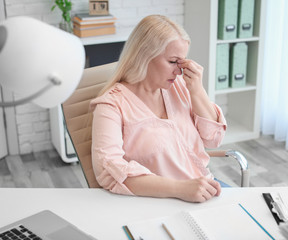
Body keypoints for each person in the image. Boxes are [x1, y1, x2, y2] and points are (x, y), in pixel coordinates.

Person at [90, 15, 227, 203]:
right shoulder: (111, 106)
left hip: (206, 189)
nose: (179, 71)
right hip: (158, 202)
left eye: (182, 62)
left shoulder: (179, 86)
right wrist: (181, 189)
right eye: (172, 62)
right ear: (144, 56)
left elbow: (214, 139)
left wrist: (197, 91)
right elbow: (108, 171)